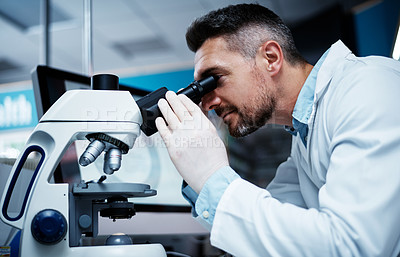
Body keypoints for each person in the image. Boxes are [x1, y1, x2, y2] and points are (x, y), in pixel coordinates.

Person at [155, 3, 400, 257]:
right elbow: (276, 232)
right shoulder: (305, 136)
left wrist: (210, 174)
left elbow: (353, 248)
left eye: (213, 79)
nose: (207, 102)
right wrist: (196, 169)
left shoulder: (367, 88)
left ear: (270, 58)